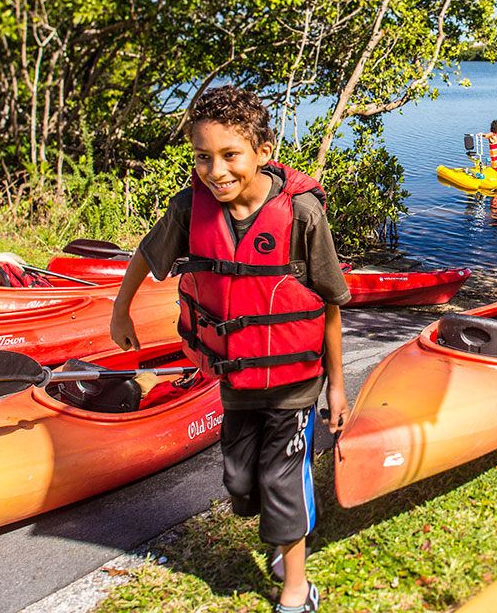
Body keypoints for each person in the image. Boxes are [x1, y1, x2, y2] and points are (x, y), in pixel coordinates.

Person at [109, 85, 349, 613]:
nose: (215, 170)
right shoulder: (189, 209)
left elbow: (329, 304)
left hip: (295, 380)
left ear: (264, 153)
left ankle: (295, 584)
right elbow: (146, 257)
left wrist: (337, 387)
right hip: (235, 376)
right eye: (203, 157)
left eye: (229, 155)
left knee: (280, 477)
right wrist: (120, 308)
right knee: (241, 482)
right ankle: (285, 533)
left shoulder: (302, 213)